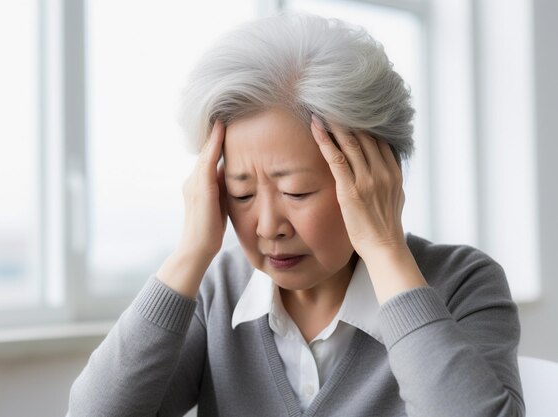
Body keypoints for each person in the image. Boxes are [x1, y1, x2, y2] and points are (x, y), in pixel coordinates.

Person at [67, 12, 524, 417]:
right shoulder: (219, 290)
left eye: (297, 191)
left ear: (377, 174)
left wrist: (385, 250)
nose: (267, 227)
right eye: (241, 194)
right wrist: (191, 252)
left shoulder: (464, 284)